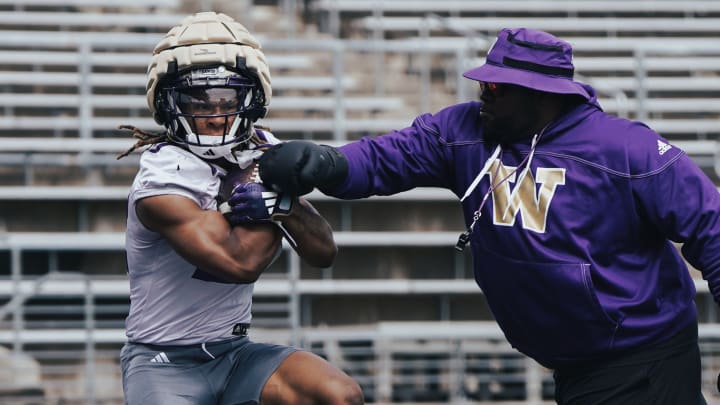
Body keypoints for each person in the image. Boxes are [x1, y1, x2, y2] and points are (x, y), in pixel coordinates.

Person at [257, 27, 720, 404]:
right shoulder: (464, 130)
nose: (484, 94)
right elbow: (385, 158)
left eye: (497, 87)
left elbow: (712, 228)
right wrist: (325, 163)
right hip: (574, 364)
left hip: (644, 360)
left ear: (543, 93)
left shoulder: (625, 149)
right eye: (483, 83)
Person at [117, 11, 364, 405]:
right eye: (196, 101)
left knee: (337, 394)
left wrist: (282, 206)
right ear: (168, 105)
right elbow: (238, 262)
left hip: (233, 353)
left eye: (227, 99)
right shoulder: (160, 177)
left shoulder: (262, 148)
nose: (215, 115)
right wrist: (266, 188)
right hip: (163, 360)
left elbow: (323, 252)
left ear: (253, 99)